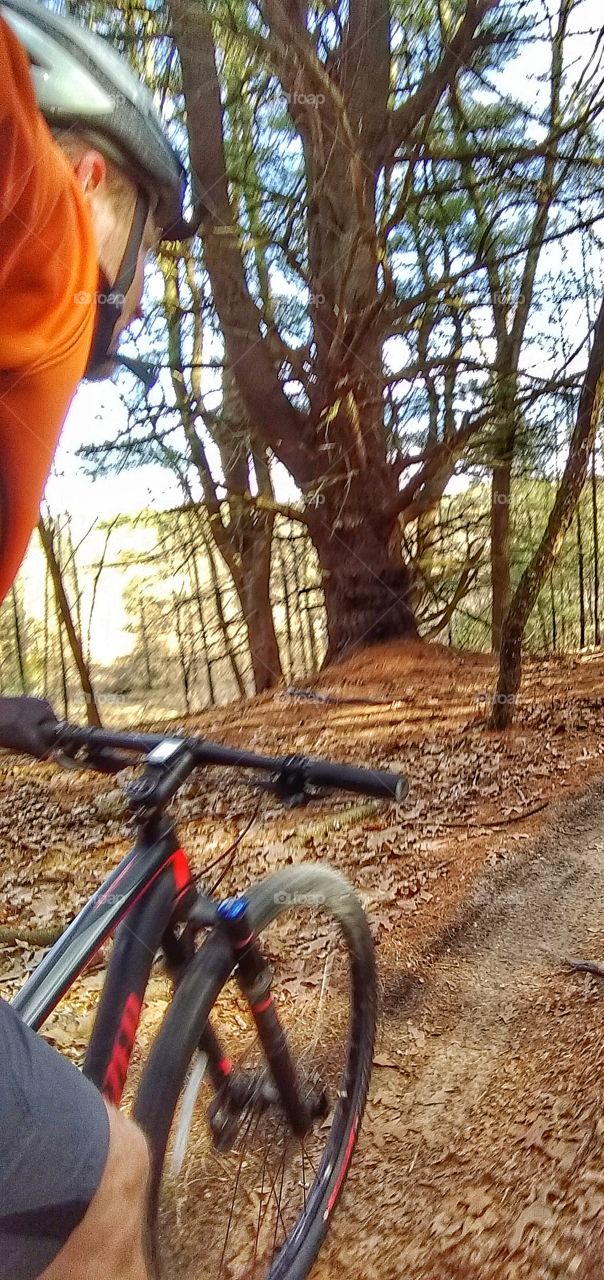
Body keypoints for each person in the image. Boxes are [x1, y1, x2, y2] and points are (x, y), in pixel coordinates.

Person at [0, 1, 194, 1274]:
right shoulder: (44, 231)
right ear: (87, 176)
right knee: (113, 1174)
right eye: (145, 233)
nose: (132, 277)